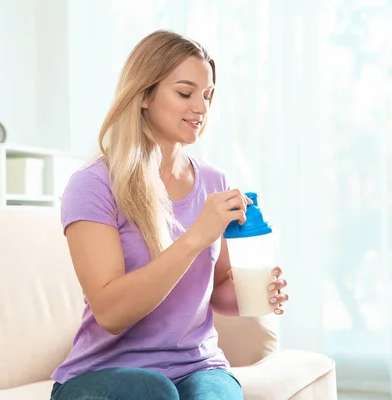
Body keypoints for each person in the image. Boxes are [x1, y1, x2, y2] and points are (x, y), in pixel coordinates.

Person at [50, 30, 289, 400]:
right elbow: (111, 313)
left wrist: (256, 292)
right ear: (144, 95)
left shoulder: (213, 181)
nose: (201, 107)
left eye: (207, 95)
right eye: (185, 92)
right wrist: (196, 236)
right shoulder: (94, 185)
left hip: (197, 366)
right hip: (102, 375)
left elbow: (219, 291)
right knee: (154, 390)